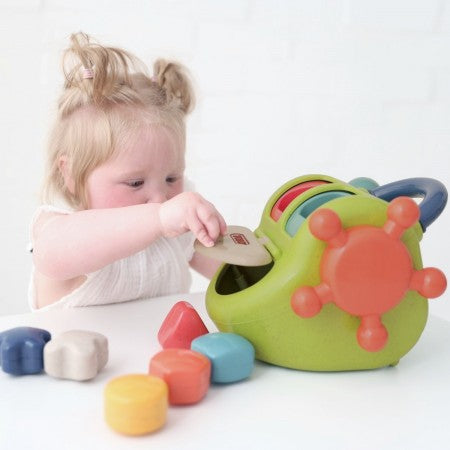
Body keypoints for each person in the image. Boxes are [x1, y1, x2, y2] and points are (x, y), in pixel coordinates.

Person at [28, 32, 227, 310]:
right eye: (135, 183)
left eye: (171, 178)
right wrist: (159, 219)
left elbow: (235, 273)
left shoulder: (176, 227)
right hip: (74, 341)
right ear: (71, 174)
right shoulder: (60, 230)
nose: (160, 198)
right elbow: (49, 255)